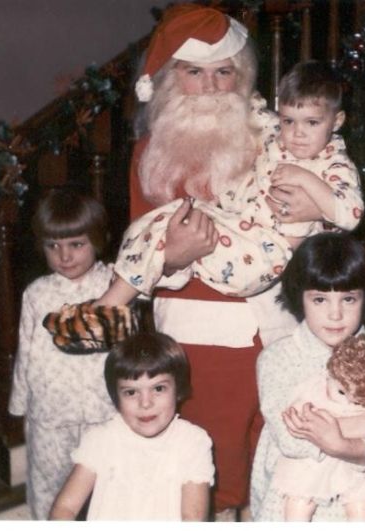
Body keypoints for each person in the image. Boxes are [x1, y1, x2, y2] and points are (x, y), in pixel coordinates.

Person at [121, 4, 328, 520]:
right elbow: (135, 253)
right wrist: (173, 257)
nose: (211, 86)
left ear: (243, 77)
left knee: (277, 453)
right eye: (194, 72)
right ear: (168, 81)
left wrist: (317, 208)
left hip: (282, 324)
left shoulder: (275, 138)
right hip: (202, 332)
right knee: (217, 466)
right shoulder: (150, 152)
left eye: (223, 72)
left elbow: (326, 199)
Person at [94, 59, 363, 304]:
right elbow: (249, 106)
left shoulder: (334, 163)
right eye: (288, 121)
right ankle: (110, 303)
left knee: (176, 227)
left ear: (337, 121)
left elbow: (351, 214)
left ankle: (112, 304)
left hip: (263, 255)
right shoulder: (275, 134)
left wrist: (309, 186)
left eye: (312, 123)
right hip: (233, 230)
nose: (297, 133)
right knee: (166, 218)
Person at [250, 232, 365, 521]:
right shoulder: (278, 359)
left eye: (348, 299)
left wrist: (343, 443)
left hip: (360, 509)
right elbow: (291, 439)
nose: (335, 314)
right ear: (300, 298)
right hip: (290, 508)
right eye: (320, 299)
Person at [8, 188, 116, 519]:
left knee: (108, 487)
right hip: (50, 414)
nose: (64, 256)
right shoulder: (37, 293)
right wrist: (20, 403)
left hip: (104, 411)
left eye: (76, 244)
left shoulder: (115, 284)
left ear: (97, 240)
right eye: (53, 246)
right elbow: (26, 351)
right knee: (48, 488)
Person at [49, 332, 214, 521]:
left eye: (158, 388)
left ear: (178, 390)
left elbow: (193, 517)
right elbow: (65, 507)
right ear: (116, 398)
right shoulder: (101, 439)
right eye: (131, 392)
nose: (145, 403)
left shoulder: (193, 442)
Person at [272, 334, 365, 521]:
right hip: (313, 466)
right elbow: (298, 424)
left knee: (362, 501)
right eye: (341, 392)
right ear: (329, 374)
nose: (348, 403)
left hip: (353, 468)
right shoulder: (315, 390)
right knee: (300, 500)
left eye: (358, 402)